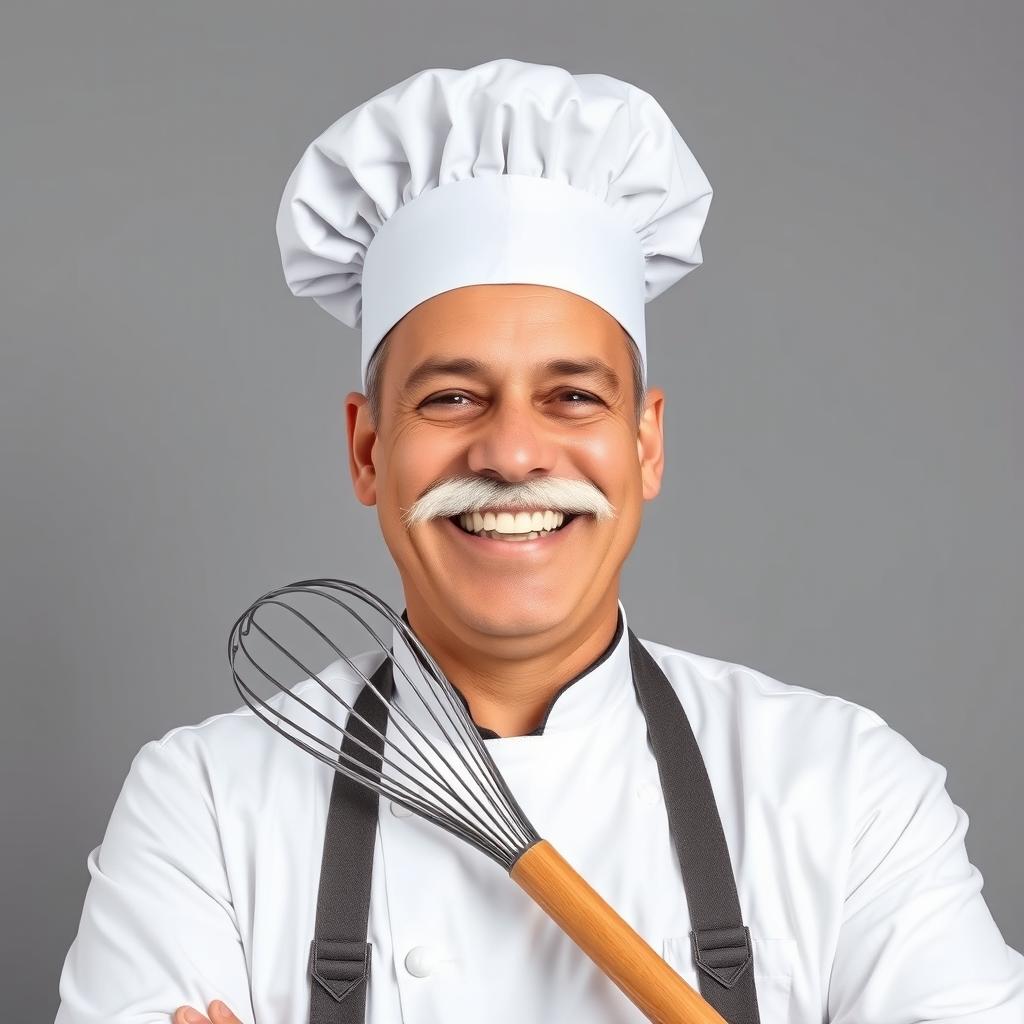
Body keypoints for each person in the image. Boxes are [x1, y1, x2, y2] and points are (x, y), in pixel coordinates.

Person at [54, 58, 1024, 1024]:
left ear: (645, 444)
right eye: (452, 397)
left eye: (571, 396)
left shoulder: (845, 790)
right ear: (367, 450)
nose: (513, 452)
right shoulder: (206, 804)